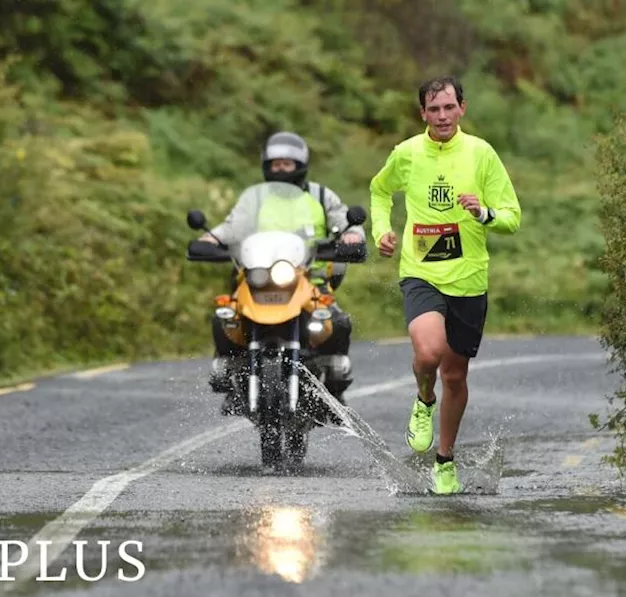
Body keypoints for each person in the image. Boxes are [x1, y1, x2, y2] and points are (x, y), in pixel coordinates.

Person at [368, 76, 522, 495]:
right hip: (421, 272)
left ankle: (445, 458)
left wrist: (484, 212)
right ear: (423, 114)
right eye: (433, 109)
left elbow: (512, 217)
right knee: (428, 351)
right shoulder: (407, 154)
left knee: (455, 375)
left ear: (462, 109)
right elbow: (379, 190)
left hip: (469, 279)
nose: (441, 116)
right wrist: (380, 230)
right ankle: (423, 399)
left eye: (448, 108)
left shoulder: (481, 154)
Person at [199, 131, 364, 409]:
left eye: (287, 163)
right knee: (225, 316)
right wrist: (211, 238)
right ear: (266, 165)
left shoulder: (321, 196)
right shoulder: (255, 200)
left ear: (300, 164)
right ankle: (230, 369)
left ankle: (334, 382)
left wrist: (352, 235)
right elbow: (233, 226)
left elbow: (345, 221)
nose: (281, 169)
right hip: (259, 276)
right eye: (276, 164)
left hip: (311, 276)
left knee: (336, 322)